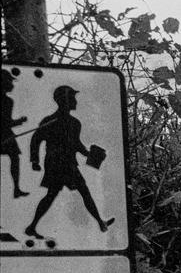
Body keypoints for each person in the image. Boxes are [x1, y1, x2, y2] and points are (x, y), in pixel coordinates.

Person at [25, 85, 114, 242]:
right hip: (55, 163)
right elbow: (36, 139)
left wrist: (88, 153)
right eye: (72, 98)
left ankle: (100, 222)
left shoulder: (75, 123)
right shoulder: (49, 121)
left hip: (68, 162)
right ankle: (100, 222)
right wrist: (34, 160)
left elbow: (75, 143)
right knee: (62, 193)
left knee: (65, 193)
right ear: (64, 100)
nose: (75, 101)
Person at [2, 69, 30, 199]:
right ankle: (17, 188)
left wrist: (17, 122)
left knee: (15, 157)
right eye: (9, 80)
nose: (11, 83)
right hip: (5, 133)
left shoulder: (9, 101)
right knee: (14, 157)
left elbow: (6, 122)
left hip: (6, 133)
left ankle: (17, 188)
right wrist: (19, 122)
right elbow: (6, 122)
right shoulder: (7, 102)